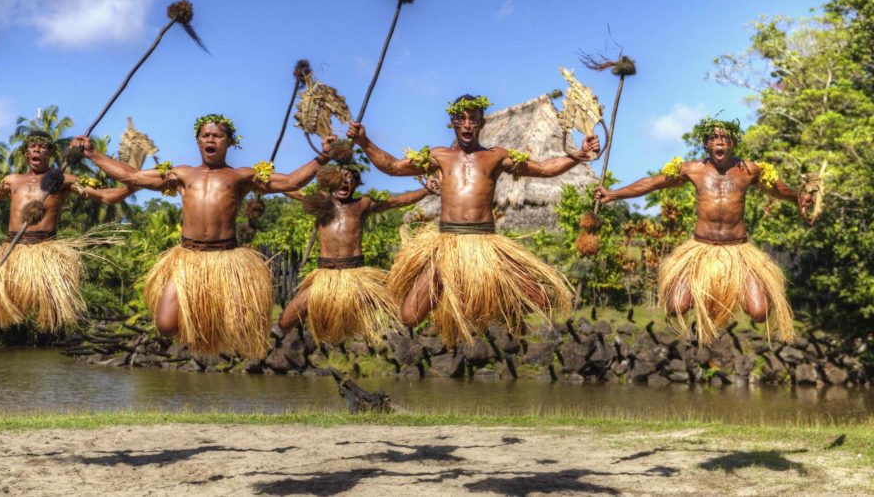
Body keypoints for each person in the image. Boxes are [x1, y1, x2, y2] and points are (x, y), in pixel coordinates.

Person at [70, 114, 334, 358]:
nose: (210, 140)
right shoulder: (181, 174)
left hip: (226, 258)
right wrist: (93, 154)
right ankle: (199, 320)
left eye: (217, 136)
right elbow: (134, 176)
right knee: (165, 325)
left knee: (240, 325)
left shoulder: (241, 176)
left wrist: (322, 157)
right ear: (198, 141)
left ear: (229, 142)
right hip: (189, 258)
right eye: (205, 136)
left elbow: (291, 182)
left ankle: (215, 329)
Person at [348, 94, 598, 345]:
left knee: (542, 300)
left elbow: (544, 169)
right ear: (452, 121)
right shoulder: (437, 156)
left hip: (485, 244)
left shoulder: (496, 156)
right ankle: (452, 297)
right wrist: (363, 140)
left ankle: (491, 298)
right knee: (410, 316)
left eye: (473, 119)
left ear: (481, 123)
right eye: (461, 119)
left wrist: (579, 154)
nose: (467, 124)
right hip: (447, 244)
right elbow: (392, 166)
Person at [594, 116, 812, 343]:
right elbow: (652, 183)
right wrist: (614, 194)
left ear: (733, 143)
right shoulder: (692, 170)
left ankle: (726, 293)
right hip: (700, 249)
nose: (719, 142)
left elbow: (778, 190)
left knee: (759, 312)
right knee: (675, 307)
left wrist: (798, 197)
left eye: (724, 138)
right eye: (714, 138)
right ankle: (707, 294)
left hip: (738, 251)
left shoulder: (749, 170)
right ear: (706, 144)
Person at [0, 130, 136, 341]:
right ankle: (18, 315)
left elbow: (107, 196)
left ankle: (43, 324)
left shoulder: (65, 180)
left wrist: (134, 183)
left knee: (55, 317)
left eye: (42, 147)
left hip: (45, 251)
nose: (36, 150)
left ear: (50, 153)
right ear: (26, 153)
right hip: (12, 249)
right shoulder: (11, 181)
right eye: (32, 147)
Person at [279, 161, 433, 344]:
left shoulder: (363, 204)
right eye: (340, 179)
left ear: (355, 184)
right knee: (285, 321)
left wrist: (426, 191)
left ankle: (427, 301)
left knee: (400, 311)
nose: (345, 182)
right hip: (325, 276)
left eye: (349, 179)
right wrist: (268, 178)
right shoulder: (320, 201)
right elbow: (288, 188)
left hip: (356, 276)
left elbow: (398, 201)